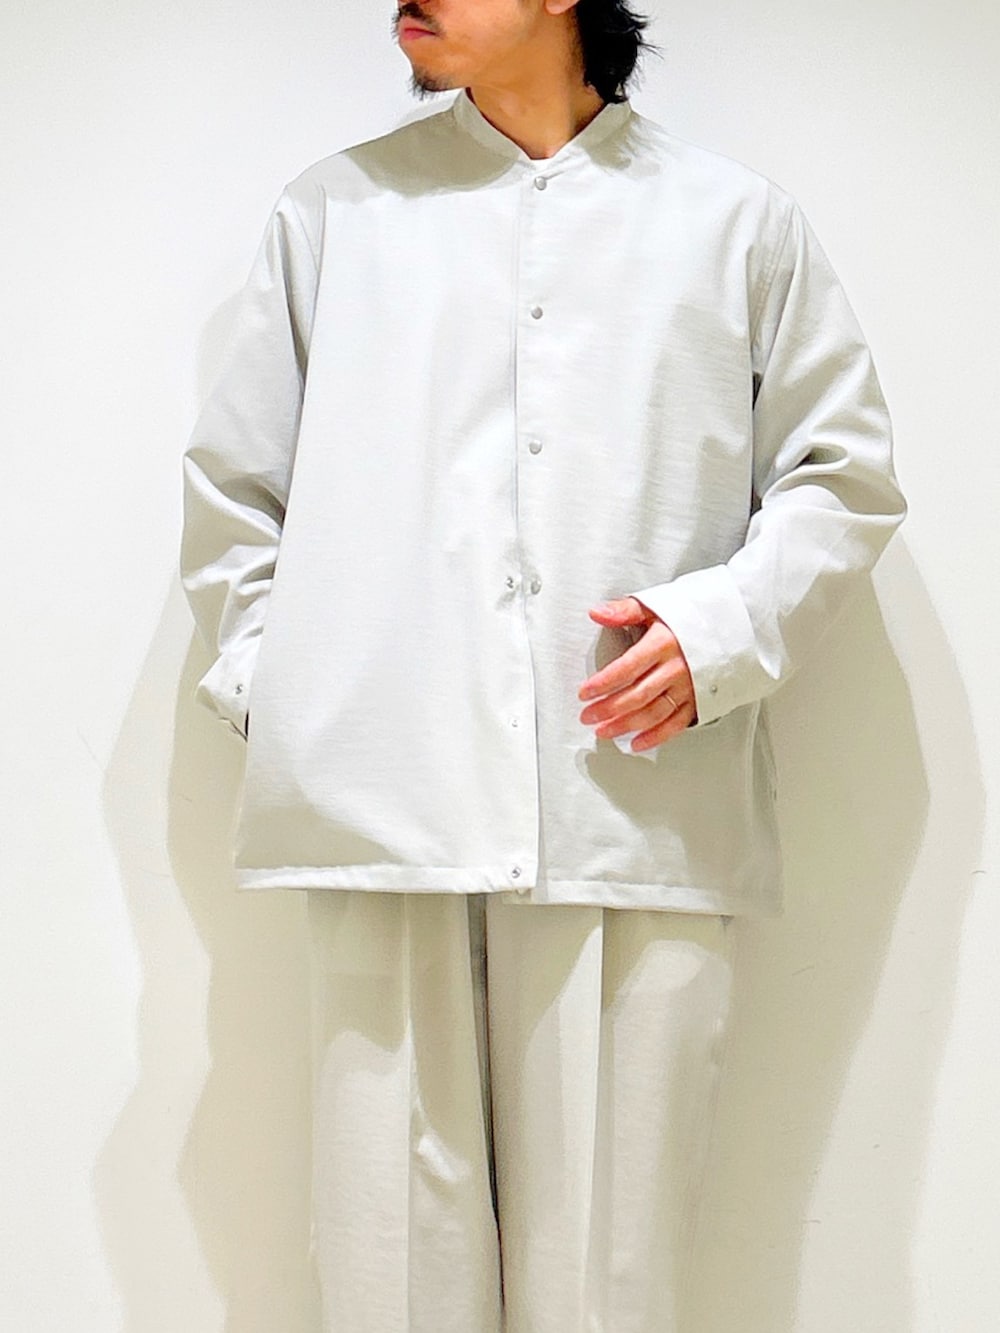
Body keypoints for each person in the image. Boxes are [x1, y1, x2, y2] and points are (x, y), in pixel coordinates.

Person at [179, 2, 907, 1328]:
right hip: (381, 806)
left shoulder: (733, 223)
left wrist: (718, 633)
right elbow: (235, 496)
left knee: (611, 1276)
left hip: (627, 802)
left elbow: (841, 477)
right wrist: (286, 700)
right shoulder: (335, 216)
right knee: (390, 1268)